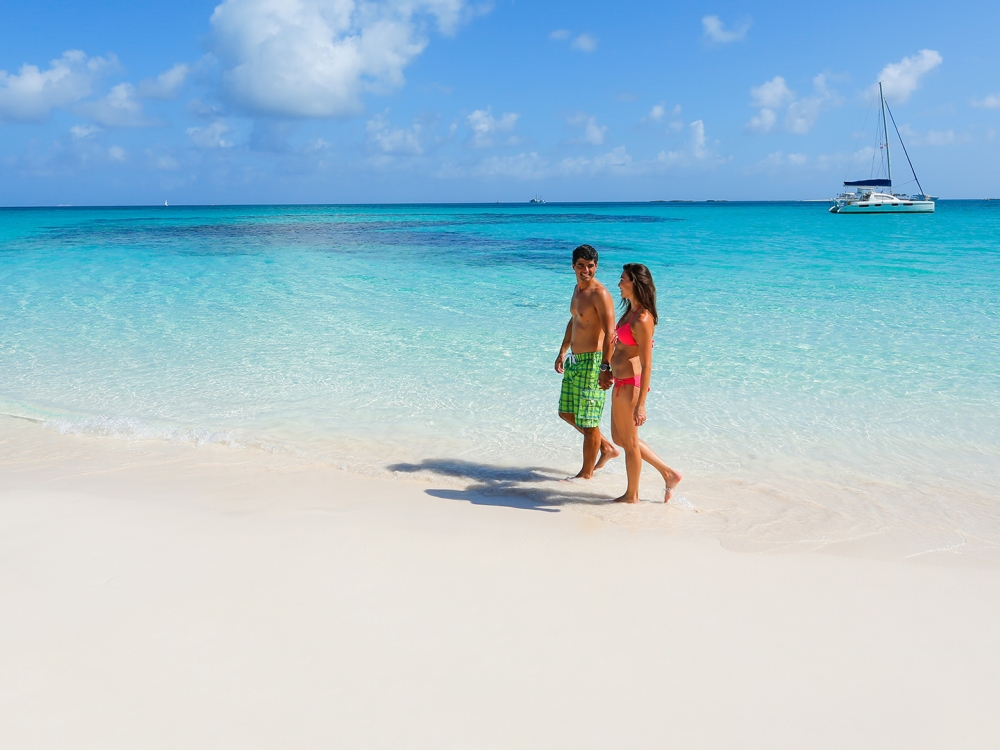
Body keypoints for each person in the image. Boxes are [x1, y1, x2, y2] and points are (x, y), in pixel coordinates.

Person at [608, 263, 681, 503]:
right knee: (620, 439)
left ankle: (632, 495)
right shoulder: (629, 312)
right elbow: (620, 347)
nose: (619, 284)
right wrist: (607, 369)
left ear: (635, 283)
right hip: (620, 381)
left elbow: (647, 364)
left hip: (631, 384)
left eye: (623, 280)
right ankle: (668, 473)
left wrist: (641, 404)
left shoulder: (643, 318)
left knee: (628, 443)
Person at [555, 244, 619, 479]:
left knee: (589, 422)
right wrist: (562, 351)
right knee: (566, 412)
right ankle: (606, 447)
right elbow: (574, 321)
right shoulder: (576, 289)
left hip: (594, 361)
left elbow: (611, 333)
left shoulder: (599, 294)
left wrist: (606, 367)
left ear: (596, 267)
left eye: (590, 266)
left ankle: (585, 474)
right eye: (581, 266)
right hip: (575, 360)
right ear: (573, 266)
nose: (586, 271)